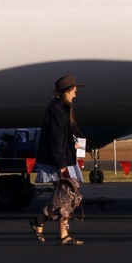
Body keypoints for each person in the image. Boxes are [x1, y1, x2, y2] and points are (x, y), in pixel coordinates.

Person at [29, 75, 85, 246]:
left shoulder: (63, 108)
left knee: (64, 195)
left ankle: (40, 222)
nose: (75, 95)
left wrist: (75, 143)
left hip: (63, 157)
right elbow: (55, 139)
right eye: (73, 92)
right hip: (57, 159)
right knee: (66, 195)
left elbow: (65, 134)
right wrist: (60, 164)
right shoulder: (56, 110)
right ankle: (61, 233)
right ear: (66, 92)